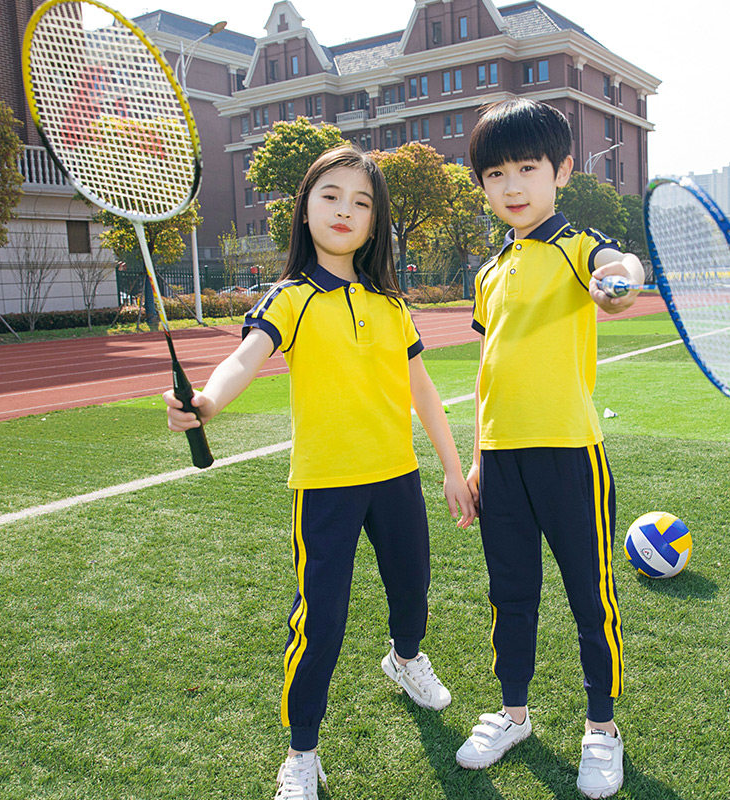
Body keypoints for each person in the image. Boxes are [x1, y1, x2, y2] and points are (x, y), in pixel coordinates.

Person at [164, 145, 476, 800]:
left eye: (362, 203)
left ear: (375, 223)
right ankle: (301, 751)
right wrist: (208, 402)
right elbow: (246, 358)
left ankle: (405, 658)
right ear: (305, 209)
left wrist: (451, 468)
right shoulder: (291, 299)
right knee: (321, 623)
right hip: (326, 487)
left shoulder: (391, 305)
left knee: (412, 592)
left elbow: (421, 392)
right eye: (331, 195)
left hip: (396, 478)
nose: (345, 210)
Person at [457, 98, 645, 799]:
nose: (511, 186)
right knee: (511, 595)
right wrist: (477, 458)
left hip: (570, 453)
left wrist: (620, 280)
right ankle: (513, 714)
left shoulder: (577, 249)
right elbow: (487, 373)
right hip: (502, 460)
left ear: (561, 171)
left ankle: (602, 728)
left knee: (588, 596)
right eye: (496, 173)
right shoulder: (488, 272)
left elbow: (615, 272)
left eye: (527, 169)